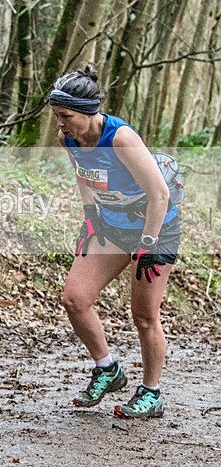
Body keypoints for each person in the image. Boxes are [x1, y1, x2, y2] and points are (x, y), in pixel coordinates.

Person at [53, 64, 180, 419]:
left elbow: (160, 194)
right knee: (75, 299)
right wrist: (91, 218)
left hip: (155, 227)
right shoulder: (70, 138)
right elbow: (84, 176)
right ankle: (108, 369)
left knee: (143, 315)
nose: (60, 124)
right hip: (111, 227)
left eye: (66, 116)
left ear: (89, 112)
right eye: (56, 116)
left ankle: (152, 392)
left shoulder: (121, 138)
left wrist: (150, 243)